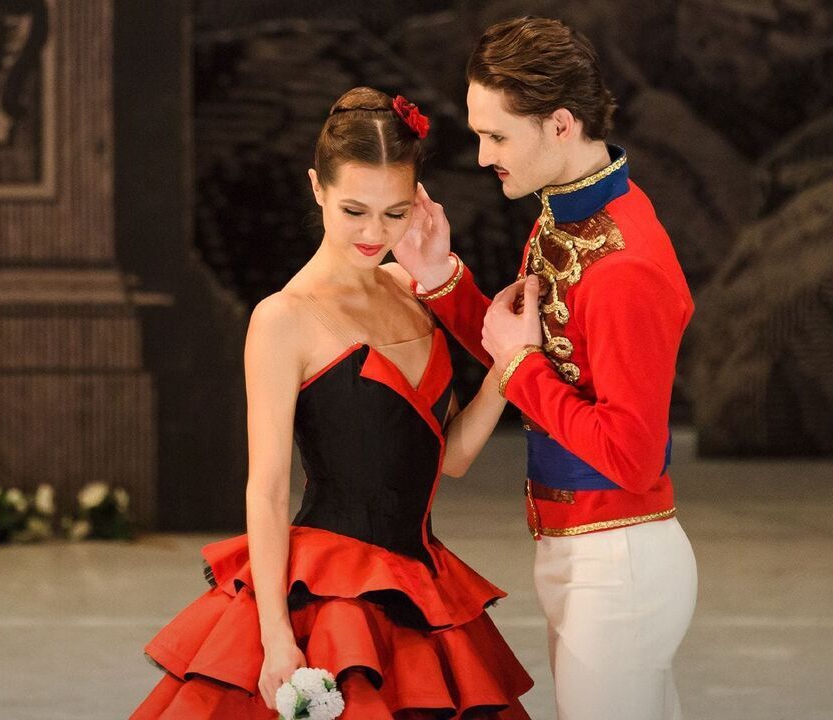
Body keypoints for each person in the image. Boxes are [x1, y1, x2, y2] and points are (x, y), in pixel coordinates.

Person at [131, 87, 533, 720]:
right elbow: (266, 491)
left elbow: (450, 457)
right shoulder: (283, 318)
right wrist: (275, 638)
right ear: (316, 188)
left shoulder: (413, 288)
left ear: (419, 202)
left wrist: (509, 367)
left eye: (395, 213)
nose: (374, 233)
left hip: (421, 590)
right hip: (327, 602)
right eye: (353, 210)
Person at [393, 17, 698, 720]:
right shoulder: (568, 217)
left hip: (617, 562)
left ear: (560, 124)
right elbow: (530, 360)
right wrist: (440, 278)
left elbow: (631, 456)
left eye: (497, 137)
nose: (482, 156)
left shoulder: (624, 266)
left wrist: (522, 363)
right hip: (590, 554)